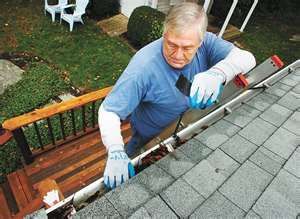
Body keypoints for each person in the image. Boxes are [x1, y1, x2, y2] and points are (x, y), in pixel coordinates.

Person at [98, 2, 256, 189]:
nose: (178, 55)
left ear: (201, 41)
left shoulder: (208, 43)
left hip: (185, 127)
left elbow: (248, 58)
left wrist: (218, 73)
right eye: (171, 44)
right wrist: (115, 151)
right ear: (164, 34)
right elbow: (109, 111)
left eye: (187, 48)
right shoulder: (143, 67)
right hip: (148, 136)